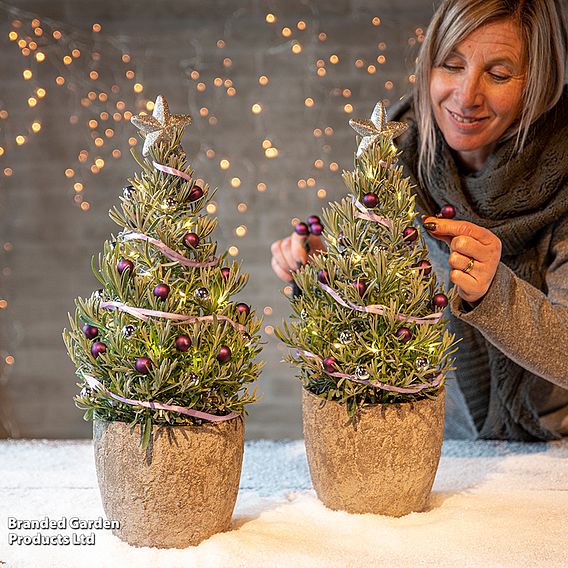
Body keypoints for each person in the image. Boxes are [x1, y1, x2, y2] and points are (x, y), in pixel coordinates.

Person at [270, 0, 568, 441]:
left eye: (499, 74)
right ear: (428, 65)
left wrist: (493, 292)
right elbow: (375, 325)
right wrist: (328, 275)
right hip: (440, 450)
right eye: (451, 65)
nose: (467, 96)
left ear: (539, 84)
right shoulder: (394, 159)